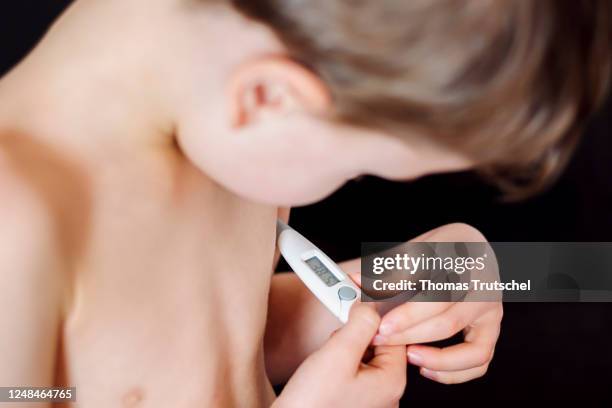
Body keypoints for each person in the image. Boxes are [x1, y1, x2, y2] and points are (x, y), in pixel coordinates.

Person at [0, 0, 608, 406]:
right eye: (360, 167)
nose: (347, 185)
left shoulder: (218, 129)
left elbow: (194, 348)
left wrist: (431, 272)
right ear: (267, 98)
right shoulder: (18, 224)